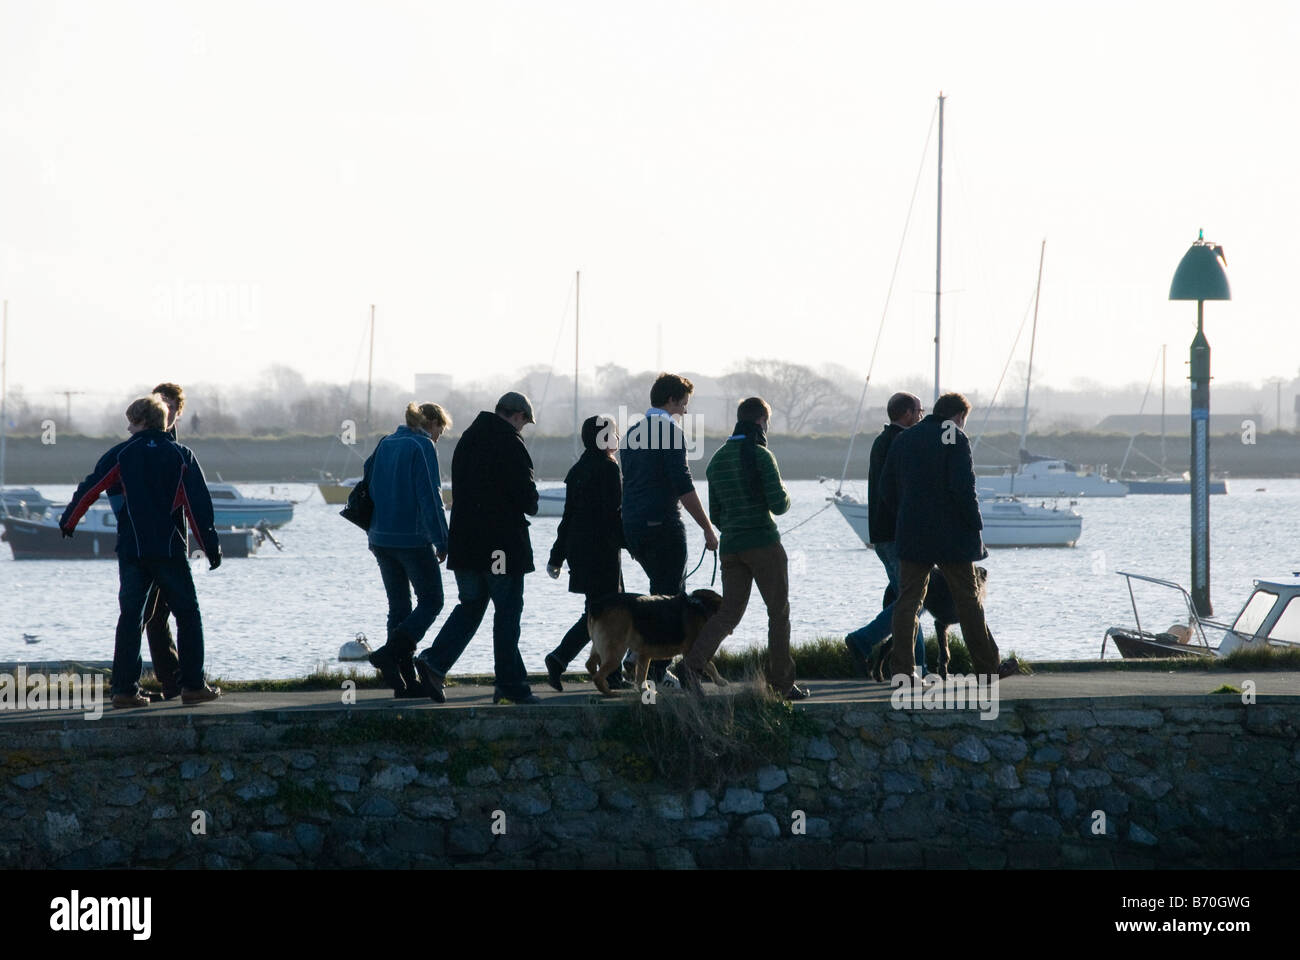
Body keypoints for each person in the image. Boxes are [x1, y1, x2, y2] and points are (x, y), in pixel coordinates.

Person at [59, 396, 223, 708]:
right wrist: (209, 547)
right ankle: (192, 686)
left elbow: (90, 488)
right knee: (188, 615)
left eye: (132, 421)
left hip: (132, 550)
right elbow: (198, 507)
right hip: (169, 549)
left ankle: (124, 691)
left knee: (131, 617)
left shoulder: (121, 453)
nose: (128, 427)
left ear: (144, 422)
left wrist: (69, 521)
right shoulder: (181, 454)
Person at [414, 392, 540, 705]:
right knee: (507, 612)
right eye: (524, 422)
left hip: (466, 544)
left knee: (471, 606)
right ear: (518, 416)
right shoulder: (511, 443)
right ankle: (510, 684)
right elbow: (528, 500)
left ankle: (434, 663)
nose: (523, 428)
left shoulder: (468, 439)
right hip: (499, 547)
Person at [878, 391, 1014, 681]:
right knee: (969, 601)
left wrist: (906, 515)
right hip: (952, 539)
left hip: (913, 535)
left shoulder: (905, 438)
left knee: (908, 602)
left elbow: (886, 490)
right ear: (959, 416)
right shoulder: (954, 437)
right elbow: (964, 488)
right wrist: (975, 525)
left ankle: (902, 671)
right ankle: (987, 669)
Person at [677, 397, 807, 699]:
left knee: (728, 615)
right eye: (768, 421)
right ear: (761, 421)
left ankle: (691, 666)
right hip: (763, 543)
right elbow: (779, 504)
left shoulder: (717, 461)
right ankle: (782, 684)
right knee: (778, 613)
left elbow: (717, 515)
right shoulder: (762, 456)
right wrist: (785, 493)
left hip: (731, 548)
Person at [620, 372, 718, 684]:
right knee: (672, 601)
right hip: (663, 525)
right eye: (683, 404)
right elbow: (683, 486)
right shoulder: (669, 432)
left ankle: (636, 656)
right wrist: (707, 527)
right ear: (671, 400)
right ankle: (658, 674)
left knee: (658, 593)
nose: (685, 412)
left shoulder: (632, 432)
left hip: (633, 528)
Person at [365, 402, 452, 698]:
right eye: (441, 428)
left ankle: (403, 682)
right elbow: (431, 496)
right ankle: (390, 653)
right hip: (411, 539)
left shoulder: (385, 443)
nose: (440, 435)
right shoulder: (422, 446)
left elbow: (368, 483)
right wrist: (442, 540)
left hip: (380, 537)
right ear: (432, 423)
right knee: (432, 600)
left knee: (399, 607)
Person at [543, 414, 627, 692]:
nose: (616, 437)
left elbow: (567, 518)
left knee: (598, 612)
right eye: (614, 433)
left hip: (580, 553)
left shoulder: (578, 469)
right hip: (602, 553)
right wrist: (634, 545)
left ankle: (606, 671)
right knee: (605, 614)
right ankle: (564, 660)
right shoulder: (608, 468)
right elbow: (614, 516)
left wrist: (557, 556)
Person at [845, 391, 925, 677]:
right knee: (911, 601)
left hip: (884, 533)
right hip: (897, 535)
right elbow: (900, 492)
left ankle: (919, 665)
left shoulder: (884, 441)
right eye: (919, 411)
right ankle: (863, 640)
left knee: (910, 601)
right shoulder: (901, 442)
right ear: (906, 414)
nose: (921, 416)